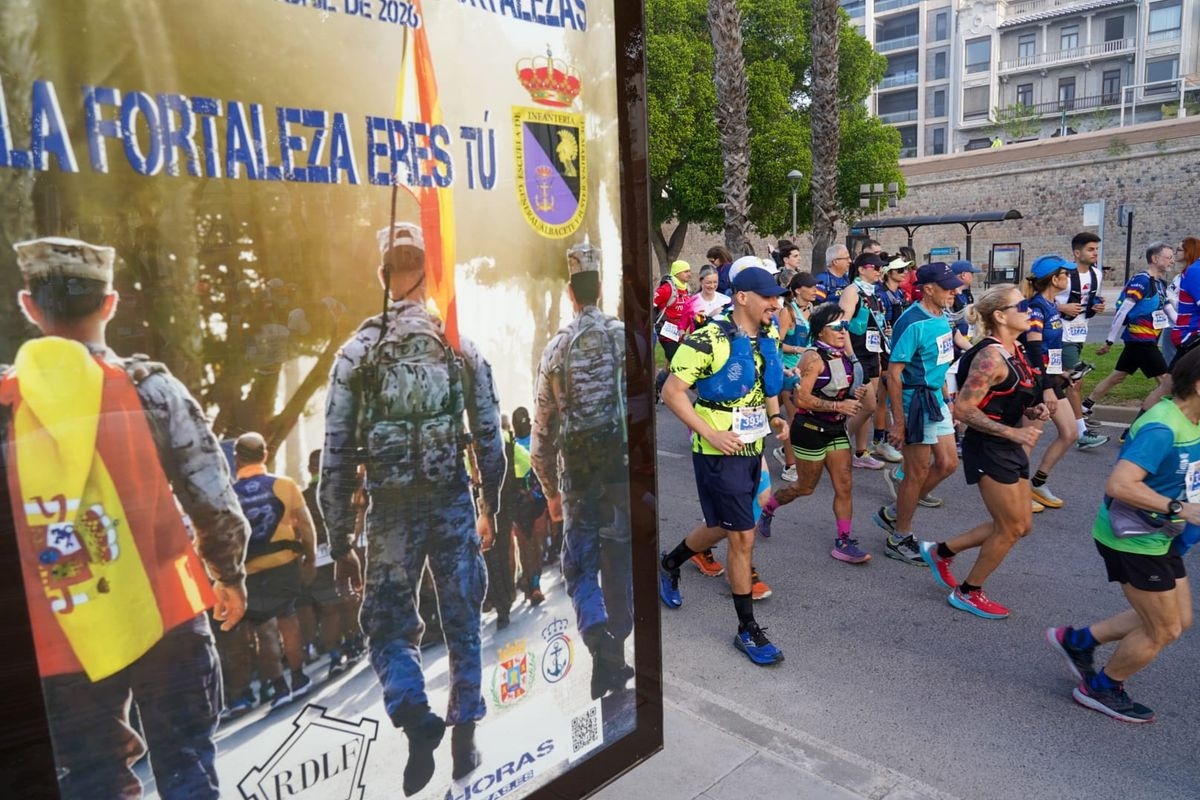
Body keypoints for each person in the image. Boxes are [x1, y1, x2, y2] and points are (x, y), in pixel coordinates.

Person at [0, 236, 249, 799]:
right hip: (168, 611)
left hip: (61, 632)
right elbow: (213, 498)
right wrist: (228, 574)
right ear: (109, 304)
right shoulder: (153, 389)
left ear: (29, 306)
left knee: (94, 782)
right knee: (187, 766)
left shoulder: (8, 405)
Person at [320, 221, 503, 793]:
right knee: (463, 619)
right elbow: (491, 439)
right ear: (431, 270)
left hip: (390, 513)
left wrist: (340, 542)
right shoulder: (459, 346)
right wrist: (490, 504)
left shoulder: (356, 354)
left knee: (388, 627)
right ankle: (464, 737)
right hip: (451, 500)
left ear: (383, 274)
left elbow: (336, 458)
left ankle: (414, 715)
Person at [1046, 348, 1200, 723]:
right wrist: (1180, 508)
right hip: (1132, 537)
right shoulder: (1163, 427)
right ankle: (1100, 687)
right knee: (1164, 629)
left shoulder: (1192, 420)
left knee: (1180, 620)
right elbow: (1120, 484)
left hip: (1161, 534)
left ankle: (1079, 641)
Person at [658, 266, 789, 666]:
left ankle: (670, 563)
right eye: (768, 296)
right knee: (742, 536)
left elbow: (763, 381)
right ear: (743, 297)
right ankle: (747, 629)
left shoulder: (767, 333)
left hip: (752, 444)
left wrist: (776, 416)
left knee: (726, 522)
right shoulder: (707, 338)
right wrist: (710, 433)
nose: (775, 303)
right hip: (718, 450)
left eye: (777, 296)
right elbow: (672, 392)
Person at [531, 240, 634, 700]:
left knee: (580, 566)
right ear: (601, 288)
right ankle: (615, 651)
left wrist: (550, 491)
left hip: (577, 474)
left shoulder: (556, 349)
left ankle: (600, 646)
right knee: (621, 558)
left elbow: (542, 431)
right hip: (620, 468)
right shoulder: (622, 337)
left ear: (571, 293)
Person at [916, 285, 1048, 618]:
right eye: (1022, 306)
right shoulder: (990, 357)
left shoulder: (1015, 348)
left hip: (1007, 444)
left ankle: (942, 551)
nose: (1030, 311)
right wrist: (1013, 431)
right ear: (1000, 316)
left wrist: (1031, 410)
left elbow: (1005, 396)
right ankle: (968, 591)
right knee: (1011, 527)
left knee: (1022, 525)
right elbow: (963, 410)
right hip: (989, 447)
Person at [758, 303, 871, 564]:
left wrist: (853, 394)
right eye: (837, 327)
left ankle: (843, 541)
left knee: (845, 485)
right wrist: (839, 406)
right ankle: (769, 508)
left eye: (845, 326)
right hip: (809, 429)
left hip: (835, 429)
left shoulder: (842, 354)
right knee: (805, 487)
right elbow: (800, 399)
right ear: (820, 332)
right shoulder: (813, 358)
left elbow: (838, 388)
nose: (843, 331)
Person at [874, 263, 963, 564]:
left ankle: (893, 512)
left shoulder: (943, 315)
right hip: (915, 402)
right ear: (928, 289)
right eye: (947, 287)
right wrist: (898, 422)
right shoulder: (912, 322)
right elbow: (894, 375)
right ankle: (900, 537)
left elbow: (940, 362)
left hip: (935, 398)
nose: (954, 291)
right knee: (916, 472)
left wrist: (948, 399)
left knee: (948, 463)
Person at [229, 433, 318, 708]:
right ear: (264, 455)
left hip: (249, 571)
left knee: (263, 630)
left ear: (236, 459)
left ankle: (280, 688)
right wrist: (310, 557)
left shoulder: (229, 495)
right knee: (288, 620)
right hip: (283, 563)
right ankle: (298, 677)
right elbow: (305, 525)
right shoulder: (284, 485)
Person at [1084, 242, 1176, 427]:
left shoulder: (1160, 283)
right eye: (1168, 257)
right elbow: (1122, 312)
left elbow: (1171, 313)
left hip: (1145, 341)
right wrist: (1109, 340)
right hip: (1140, 340)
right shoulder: (1141, 281)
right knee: (1166, 382)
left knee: (1117, 376)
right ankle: (1147, 424)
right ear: (1155, 259)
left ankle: (1085, 407)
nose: (1172, 261)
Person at [1022, 255, 1085, 511]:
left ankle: (1038, 483)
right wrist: (1047, 386)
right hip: (1037, 380)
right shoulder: (1036, 308)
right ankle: (1017, 491)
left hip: (1050, 377)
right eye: (1065, 274)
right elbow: (1034, 349)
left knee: (1070, 433)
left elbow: (1052, 348)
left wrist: (1062, 373)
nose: (1068, 277)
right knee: (1029, 439)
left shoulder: (1052, 304)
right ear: (1053, 279)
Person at [301, 448, 361, 679]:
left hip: (317, 557)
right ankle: (354, 643)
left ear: (309, 469)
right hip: (342, 551)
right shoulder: (338, 489)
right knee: (349, 600)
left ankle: (335, 656)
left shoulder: (302, 496)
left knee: (328, 611)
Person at [1058, 232, 1109, 450]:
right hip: (1060, 334)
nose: (1095, 253)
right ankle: (1081, 432)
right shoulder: (1063, 275)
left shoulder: (1097, 274)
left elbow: (1090, 302)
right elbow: (1039, 299)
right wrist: (1062, 307)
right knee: (1075, 380)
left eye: (1096, 249)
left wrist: (1097, 307)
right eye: (1090, 249)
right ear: (1077, 253)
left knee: (1059, 381)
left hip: (1080, 333)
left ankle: (1025, 406)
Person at [839, 253, 888, 471]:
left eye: (881, 267)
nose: (879, 271)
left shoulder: (874, 292)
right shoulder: (852, 291)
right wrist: (851, 357)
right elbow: (842, 325)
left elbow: (874, 323)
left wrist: (885, 332)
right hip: (857, 354)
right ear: (860, 269)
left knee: (867, 407)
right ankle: (837, 442)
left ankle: (860, 452)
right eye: (875, 267)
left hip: (872, 353)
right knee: (867, 405)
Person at [771, 272, 819, 483]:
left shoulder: (814, 310)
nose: (815, 290)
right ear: (798, 289)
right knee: (794, 419)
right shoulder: (787, 312)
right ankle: (790, 465)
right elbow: (777, 343)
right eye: (811, 286)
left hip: (808, 371)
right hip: (790, 371)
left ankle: (784, 450)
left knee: (787, 415)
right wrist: (798, 349)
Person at [509, 406, 548, 608]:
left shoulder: (535, 439)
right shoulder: (511, 445)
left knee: (535, 544)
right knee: (527, 545)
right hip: (522, 502)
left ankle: (534, 583)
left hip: (535, 500)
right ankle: (531, 584)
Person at [653, 259, 692, 398]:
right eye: (686, 271)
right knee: (677, 361)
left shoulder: (686, 288)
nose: (689, 274)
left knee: (670, 365)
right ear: (677, 273)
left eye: (689, 271)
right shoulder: (666, 289)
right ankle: (668, 390)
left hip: (680, 331)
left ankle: (659, 386)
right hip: (666, 331)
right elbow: (651, 303)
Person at [1168, 236, 1200, 363]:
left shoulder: (1192, 271)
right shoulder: (1193, 272)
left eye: (1179, 250)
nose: (1175, 253)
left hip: (1187, 330)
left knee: (1173, 372)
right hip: (1189, 332)